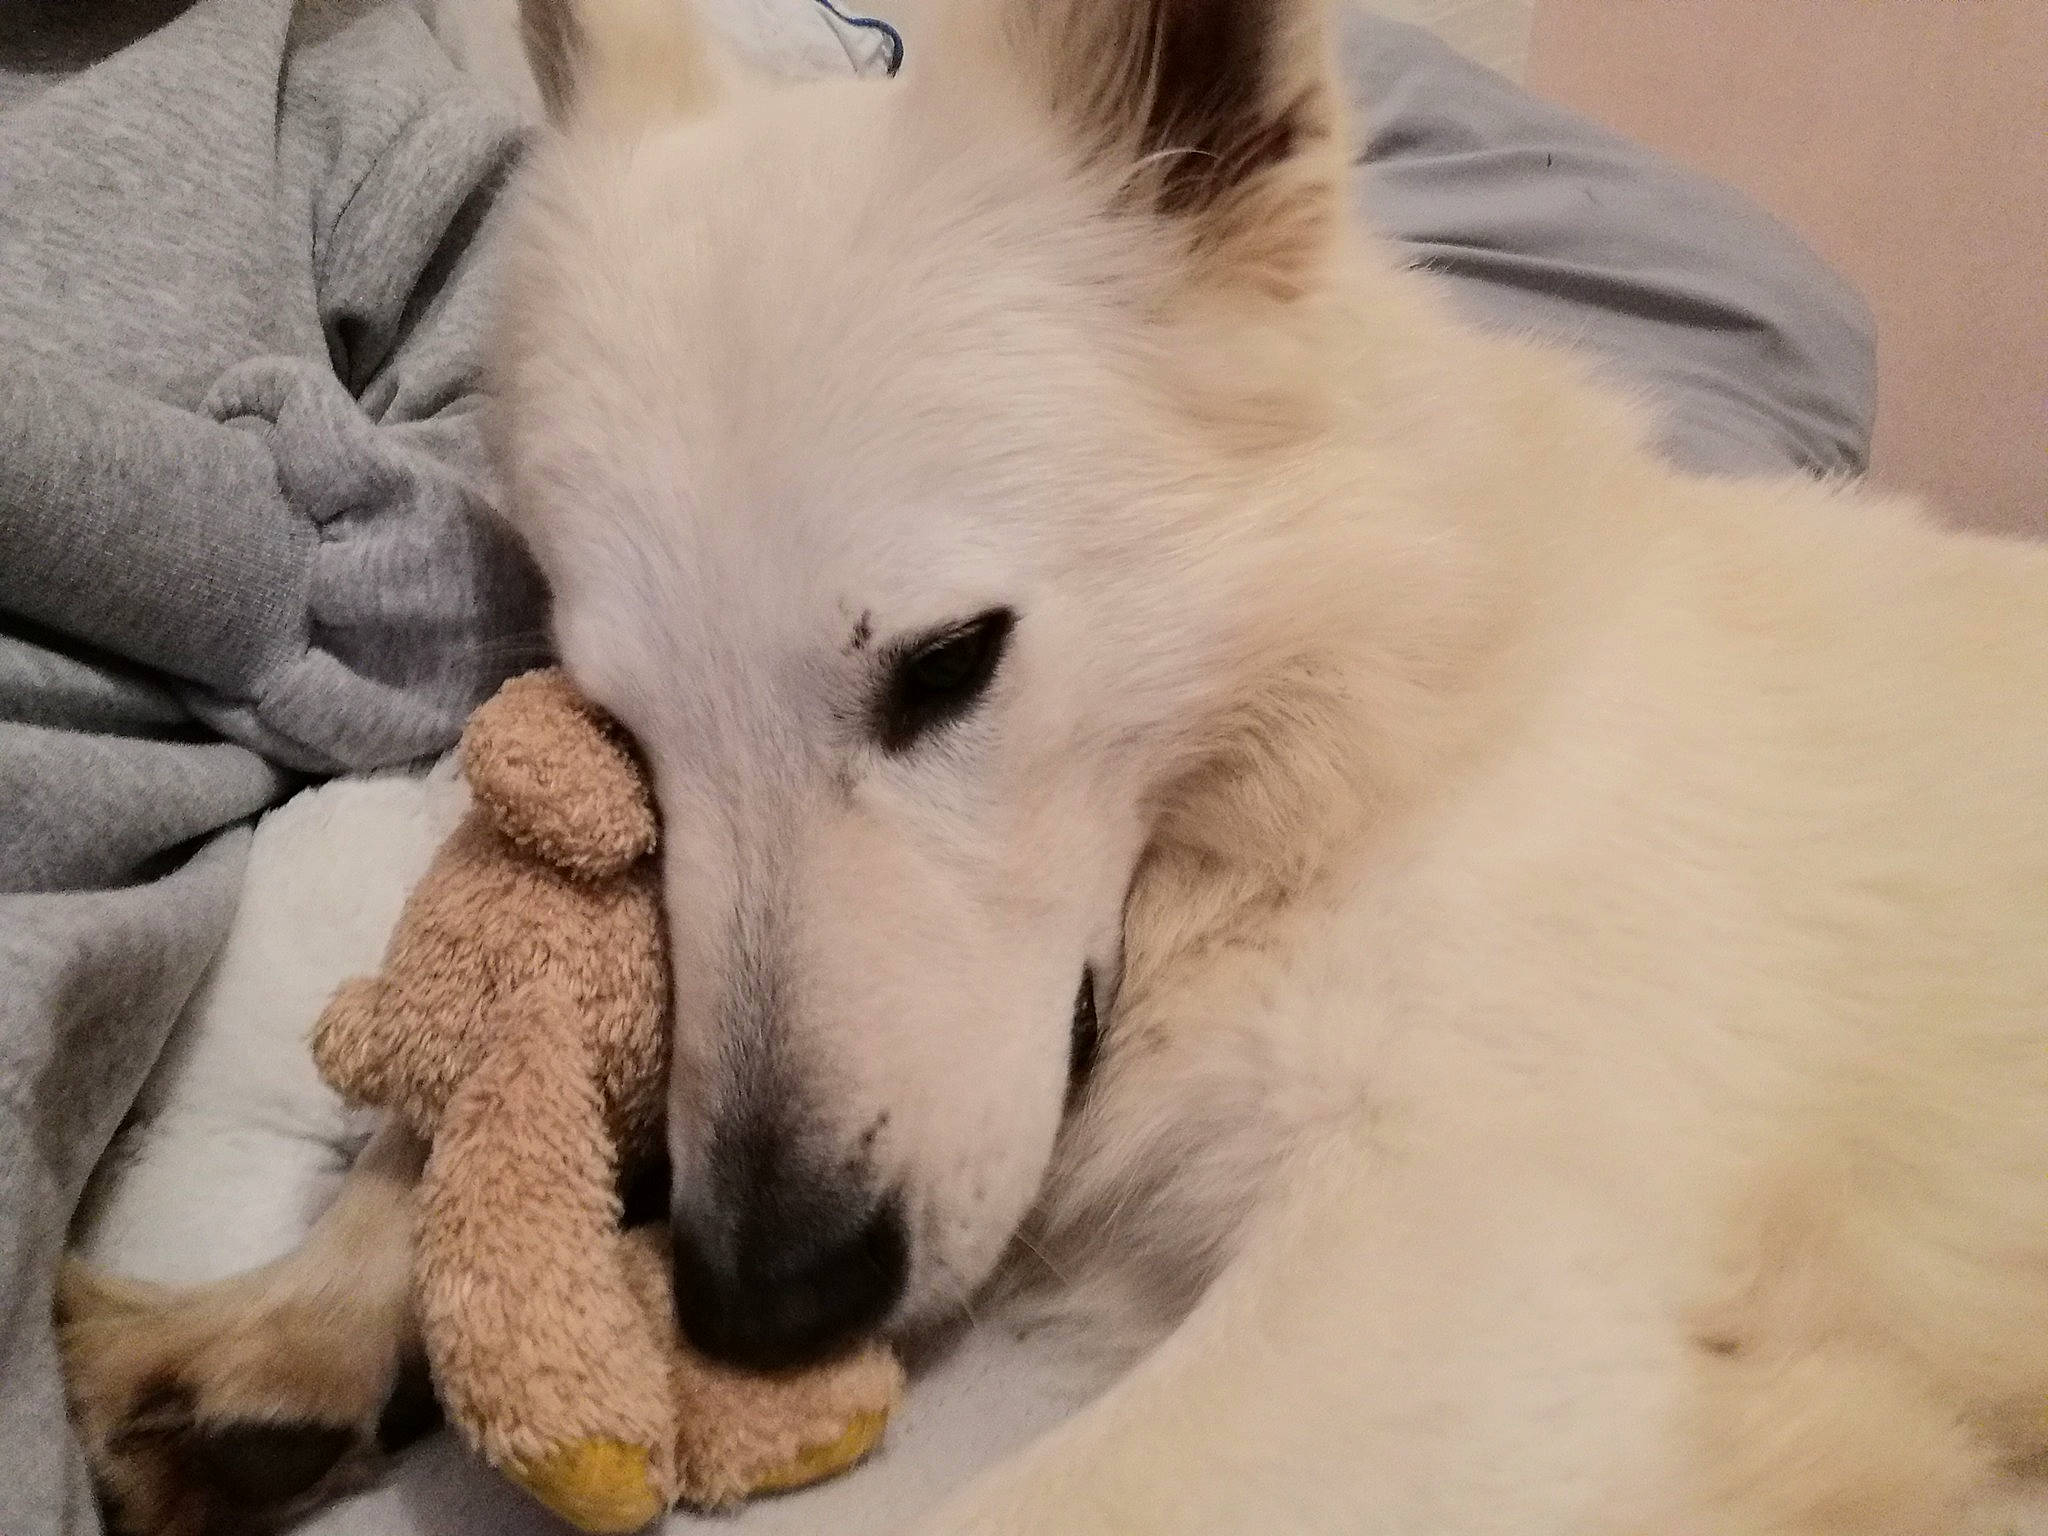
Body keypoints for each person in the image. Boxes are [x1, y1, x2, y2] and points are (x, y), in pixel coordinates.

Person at [0, 3, 1874, 1533]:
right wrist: (407, 1240)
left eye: (937, 679)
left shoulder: (1568, 743)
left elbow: (1528, 1399)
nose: (764, 1232)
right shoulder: (626, 277)